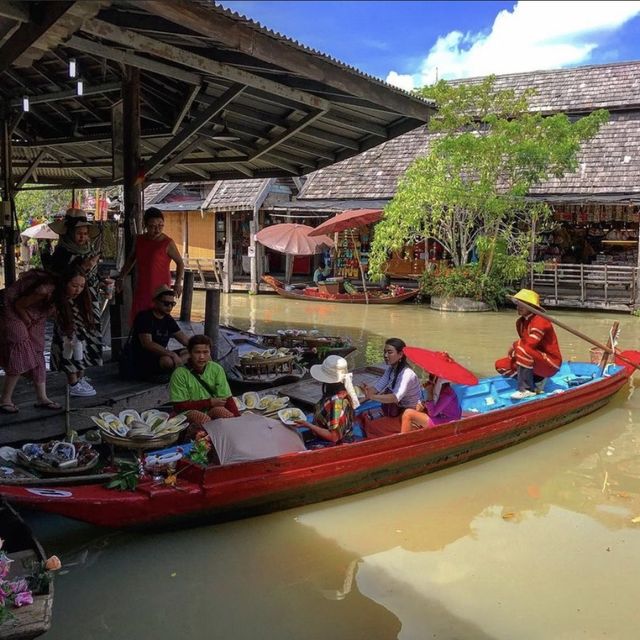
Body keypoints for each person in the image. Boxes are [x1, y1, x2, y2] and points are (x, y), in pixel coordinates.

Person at [0, 269, 87, 413]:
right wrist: (27, 321)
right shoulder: (45, 290)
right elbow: (19, 305)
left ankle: (42, 398)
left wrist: (70, 334)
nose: (78, 290)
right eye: (74, 285)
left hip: (35, 312)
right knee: (21, 345)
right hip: (11, 307)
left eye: (82, 286)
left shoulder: (64, 295)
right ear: (65, 283)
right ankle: (5, 400)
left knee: (38, 348)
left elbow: (60, 316)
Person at [48, 208, 106, 396]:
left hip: (90, 301)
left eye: (85, 233)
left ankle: (80, 375)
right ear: (69, 233)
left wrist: (102, 282)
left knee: (88, 337)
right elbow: (60, 278)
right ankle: (72, 382)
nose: (83, 237)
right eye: (79, 233)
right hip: (70, 303)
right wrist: (85, 266)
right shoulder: (61, 253)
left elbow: (92, 276)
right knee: (71, 339)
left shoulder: (88, 250)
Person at [116, 207, 184, 323]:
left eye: (160, 226)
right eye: (152, 226)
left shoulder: (167, 242)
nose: (157, 230)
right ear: (145, 225)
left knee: (158, 318)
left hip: (161, 288)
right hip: (143, 286)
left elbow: (180, 262)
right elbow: (131, 259)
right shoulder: (139, 239)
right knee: (140, 317)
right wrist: (121, 277)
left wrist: (178, 283)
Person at [495, 288, 562, 400]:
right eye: (517, 304)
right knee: (501, 365)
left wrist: (514, 346)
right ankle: (536, 381)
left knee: (522, 347)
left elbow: (529, 344)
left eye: (522, 304)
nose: (518, 307)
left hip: (551, 363)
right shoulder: (520, 323)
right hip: (535, 360)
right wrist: (515, 350)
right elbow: (526, 346)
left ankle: (526, 389)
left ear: (532, 307)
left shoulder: (541, 320)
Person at [170, 334, 239, 427]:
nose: (202, 357)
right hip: (186, 413)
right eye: (197, 352)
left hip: (210, 409)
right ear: (190, 353)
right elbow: (179, 406)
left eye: (205, 352)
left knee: (227, 415)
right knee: (203, 420)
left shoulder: (216, 369)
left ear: (210, 352)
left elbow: (227, 398)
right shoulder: (179, 374)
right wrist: (209, 402)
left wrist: (238, 419)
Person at [360, 338, 422, 438]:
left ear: (401, 354)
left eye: (389, 352)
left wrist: (372, 397)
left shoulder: (407, 374)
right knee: (363, 416)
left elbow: (395, 397)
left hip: (408, 413)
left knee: (371, 425)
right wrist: (364, 394)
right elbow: (377, 387)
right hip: (395, 409)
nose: (385, 356)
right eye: (384, 352)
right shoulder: (391, 368)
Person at [295, 355, 359, 443]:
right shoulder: (341, 392)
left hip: (333, 444)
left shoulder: (337, 403)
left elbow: (334, 437)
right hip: (325, 432)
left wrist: (308, 425)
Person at [130, 285, 190, 380]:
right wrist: (172, 354)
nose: (170, 307)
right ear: (156, 302)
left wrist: (199, 346)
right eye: (166, 304)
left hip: (162, 355)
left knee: (193, 351)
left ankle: (177, 366)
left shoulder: (168, 319)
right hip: (142, 358)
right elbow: (147, 344)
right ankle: (177, 367)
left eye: (172, 304)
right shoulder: (144, 317)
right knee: (167, 361)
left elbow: (184, 339)